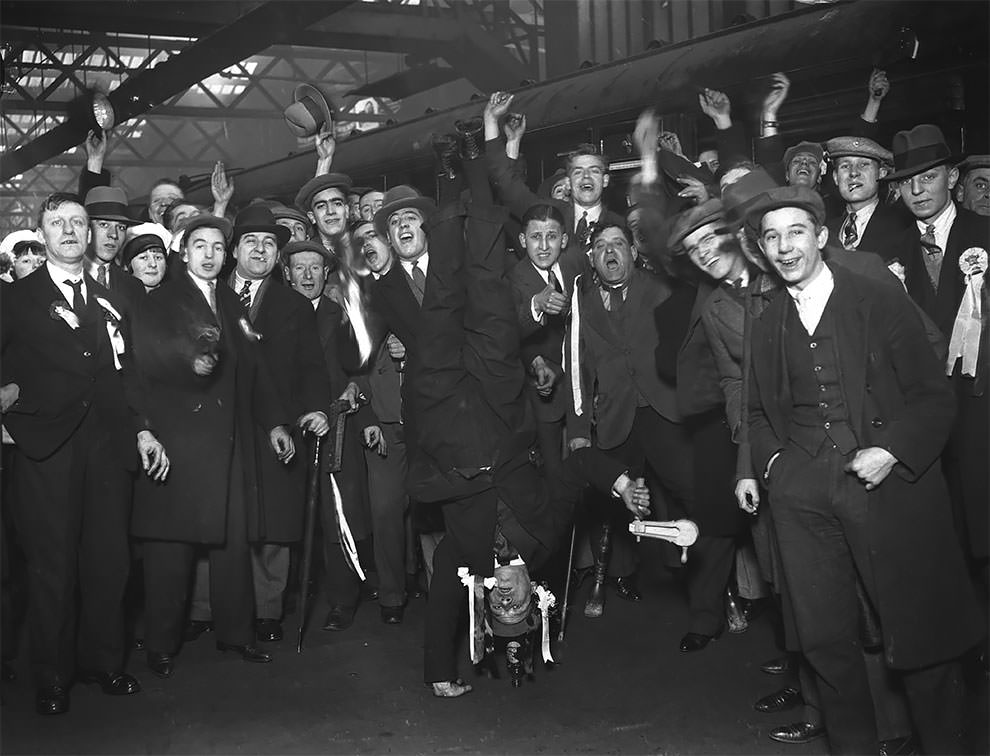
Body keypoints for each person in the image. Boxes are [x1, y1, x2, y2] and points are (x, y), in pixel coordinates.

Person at [745, 183, 982, 754]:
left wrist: (893, 450)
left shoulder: (877, 298)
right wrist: (778, 466)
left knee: (920, 638)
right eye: (772, 237)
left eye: (796, 232)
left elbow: (935, 395)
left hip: (884, 486)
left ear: (822, 238)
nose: (785, 247)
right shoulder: (766, 318)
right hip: (804, 497)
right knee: (826, 645)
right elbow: (755, 412)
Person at [1, 192, 168, 714]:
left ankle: (105, 664)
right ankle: (52, 677)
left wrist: (142, 431)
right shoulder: (13, 297)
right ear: (41, 233)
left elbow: (130, 373)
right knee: (52, 567)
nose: (70, 231)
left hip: (107, 449)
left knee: (108, 562)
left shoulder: (112, 296)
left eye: (78, 222)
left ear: (92, 232)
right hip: (45, 449)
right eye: (58, 223)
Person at [130, 213, 294, 679]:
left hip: (231, 442)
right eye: (200, 245)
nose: (209, 255)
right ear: (183, 253)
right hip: (180, 441)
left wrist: (275, 423)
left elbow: (253, 369)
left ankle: (237, 635)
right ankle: (160, 645)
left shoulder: (230, 300)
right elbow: (146, 360)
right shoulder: (159, 300)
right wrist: (188, 361)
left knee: (233, 543)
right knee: (171, 547)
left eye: (218, 248)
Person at [882, 125, 990, 567]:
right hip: (926, 406)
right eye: (907, 182)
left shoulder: (985, 232)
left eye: (927, 177)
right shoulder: (891, 250)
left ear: (952, 178)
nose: (917, 189)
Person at [225, 206, 331, 642]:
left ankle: (268, 610)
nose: (260, 249)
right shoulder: (213, 295)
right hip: (224, 425)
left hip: (278, 427)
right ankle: (207, 608)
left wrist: (318, 408)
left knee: (274, 522)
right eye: (251, 241)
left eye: (269, 243)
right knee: (223, 517)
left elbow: (312, 369)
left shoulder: (294, 305)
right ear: (234, 250)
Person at [281, 238, 377, 630]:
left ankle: (342, 600)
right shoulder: (272, 314)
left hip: (334, 430)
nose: (307, 275)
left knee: (338, 518)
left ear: (326, 273)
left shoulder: (340, 315)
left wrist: (357, 394)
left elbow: (360, 367)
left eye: (315, 268)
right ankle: (284, 601)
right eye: (299, 268)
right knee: (289, 518)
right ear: (285, 273)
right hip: (288, 430)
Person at [507, 203, 585, 484]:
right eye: (535, 237)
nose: (543, 246)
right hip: (543, 397)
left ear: (563, 240)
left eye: (551, 236)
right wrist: (537, 362)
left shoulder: (578, 264)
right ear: (522, 240)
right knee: (554, 474)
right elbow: (508, 334)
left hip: (584, 389)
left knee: (589, 468)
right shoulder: (512, 280)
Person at [824, 136, 909, 256]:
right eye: (845, 166)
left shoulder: (902, 225)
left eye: (863, 165)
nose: (853, 173)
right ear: (835, 177)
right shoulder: (826, 233)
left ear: (881, 174)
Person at [82, 186, 145, 311]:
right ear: (85, 229)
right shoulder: (62, 276)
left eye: (121, 227)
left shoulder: (133, 287)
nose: (114, 234)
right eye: (104, 225)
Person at [121, 223, 171, 293]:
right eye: (144, 258)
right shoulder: (119, 298)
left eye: (158, 257)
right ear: (128, 265)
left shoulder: (179, 298)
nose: (153, 264)